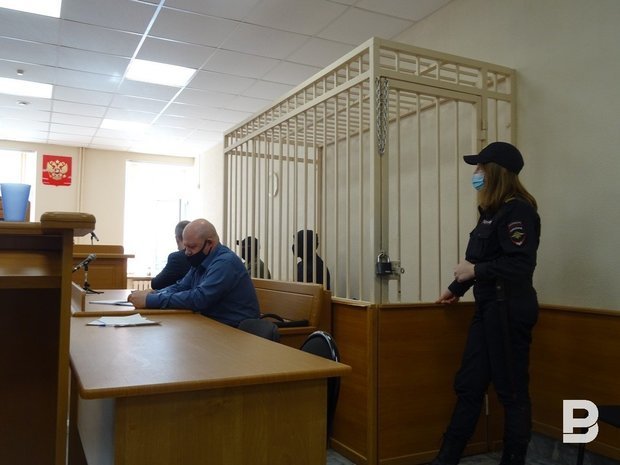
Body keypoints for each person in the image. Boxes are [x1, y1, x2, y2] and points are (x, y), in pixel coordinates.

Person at [432, 142, 541, 465]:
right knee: (469, 384)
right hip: (489, 307)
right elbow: (479, 259)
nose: (476, 174)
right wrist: (456, 288)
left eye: (480, 168)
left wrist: (475, 272)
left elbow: (519, 265)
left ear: (496, 172)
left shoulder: (518, 211)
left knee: (511, 391)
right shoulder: (491, 213)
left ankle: (513, 458)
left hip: (509, 308)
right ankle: (447, 458)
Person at [128, 218, 260, 327]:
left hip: (235, 331)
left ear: (210, 243)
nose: (187, 252)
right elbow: (181, 287)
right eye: (185, 247)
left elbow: (199, 298)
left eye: (192, 247)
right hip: (212, 325)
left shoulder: (225, 262)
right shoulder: (202, 259)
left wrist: (150, 300)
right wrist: (153, 294)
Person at [150, 220, 191, 290]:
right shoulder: (204, 256)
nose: (188, 252)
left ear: (177, 239)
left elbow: (156, 284)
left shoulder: (177, 258)